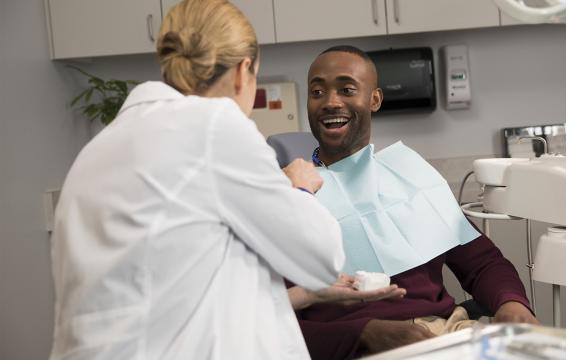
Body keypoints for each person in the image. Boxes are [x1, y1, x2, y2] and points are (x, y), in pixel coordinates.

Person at [48, 1, 345, 359]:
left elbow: (178, 276)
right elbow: (321, 257)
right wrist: (298, 188)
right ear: (243, 71)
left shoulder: (99, 149)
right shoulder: (215, 127)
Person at [289, 45, 539, 360]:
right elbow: (269, 318)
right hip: (355, 348)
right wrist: (364, 334)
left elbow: (482, 262)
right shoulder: (292, 197)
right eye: (317, 92)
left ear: (374, 100)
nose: (331, 102)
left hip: (447, 335)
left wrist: (511, 303)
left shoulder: (412, 179)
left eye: (347, 89)